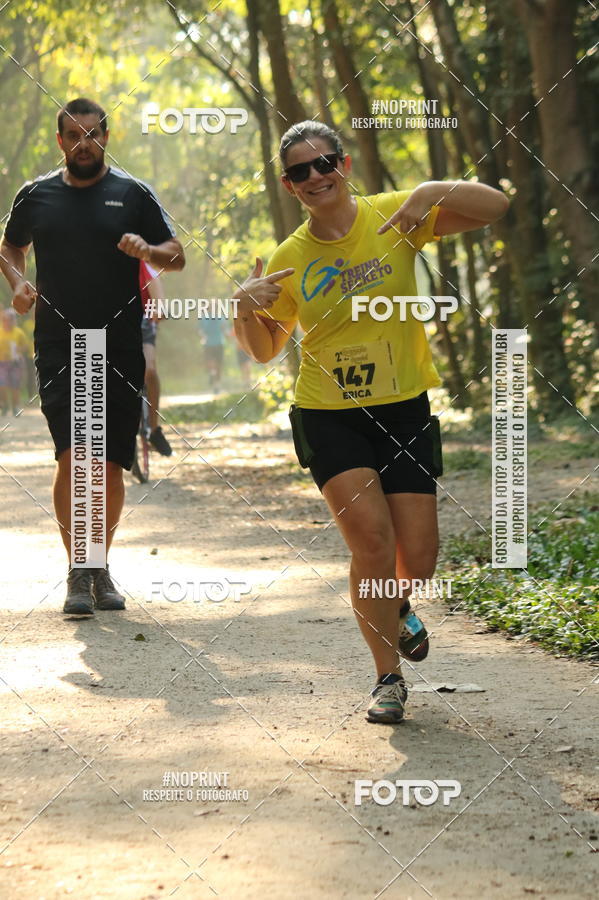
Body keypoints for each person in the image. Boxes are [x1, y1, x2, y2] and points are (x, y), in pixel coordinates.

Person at [233, 121, 508, 724]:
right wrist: (243, 309)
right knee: (372, 543)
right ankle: (388, 678)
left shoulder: (395, 216)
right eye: (300, 171)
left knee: (420, 556)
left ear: (345, 164)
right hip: (329, 414)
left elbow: (497, 206)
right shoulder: (289, 257)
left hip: (402, 406)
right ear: (288, 185)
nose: (315, 176)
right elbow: (264, 348)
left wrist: (426, 192)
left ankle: (398, 605)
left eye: (324, 162)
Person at [0, 97, 185, 617]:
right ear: (60, 141)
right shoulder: (35, 195)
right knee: (73, 455)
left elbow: (177, 254)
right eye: (74, 135)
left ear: (107, 136)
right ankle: (79, 570)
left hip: (118, 343)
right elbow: (10, 247)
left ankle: (99, 565)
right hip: (60, 342)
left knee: (107, 463)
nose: (84, 143)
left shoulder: (133, 194)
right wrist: (17, 282)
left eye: (93, 134)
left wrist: (148, 251)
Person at [139, 259, 172, 456]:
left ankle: (154, 429)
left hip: (142, 320)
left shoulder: (141, 264)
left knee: (149, 370)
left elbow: (154, 282)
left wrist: (160, 306)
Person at [0, 307, 28, 414]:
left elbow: (25, 346)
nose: (7, 322)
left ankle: (15, 407)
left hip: (15, 362)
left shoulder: (19, 332)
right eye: (5, 320)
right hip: (2, 363)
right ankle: (5, 405)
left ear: (13, 321)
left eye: (9, 320)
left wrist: (19, 349)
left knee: (15, 386)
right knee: (2, 384)